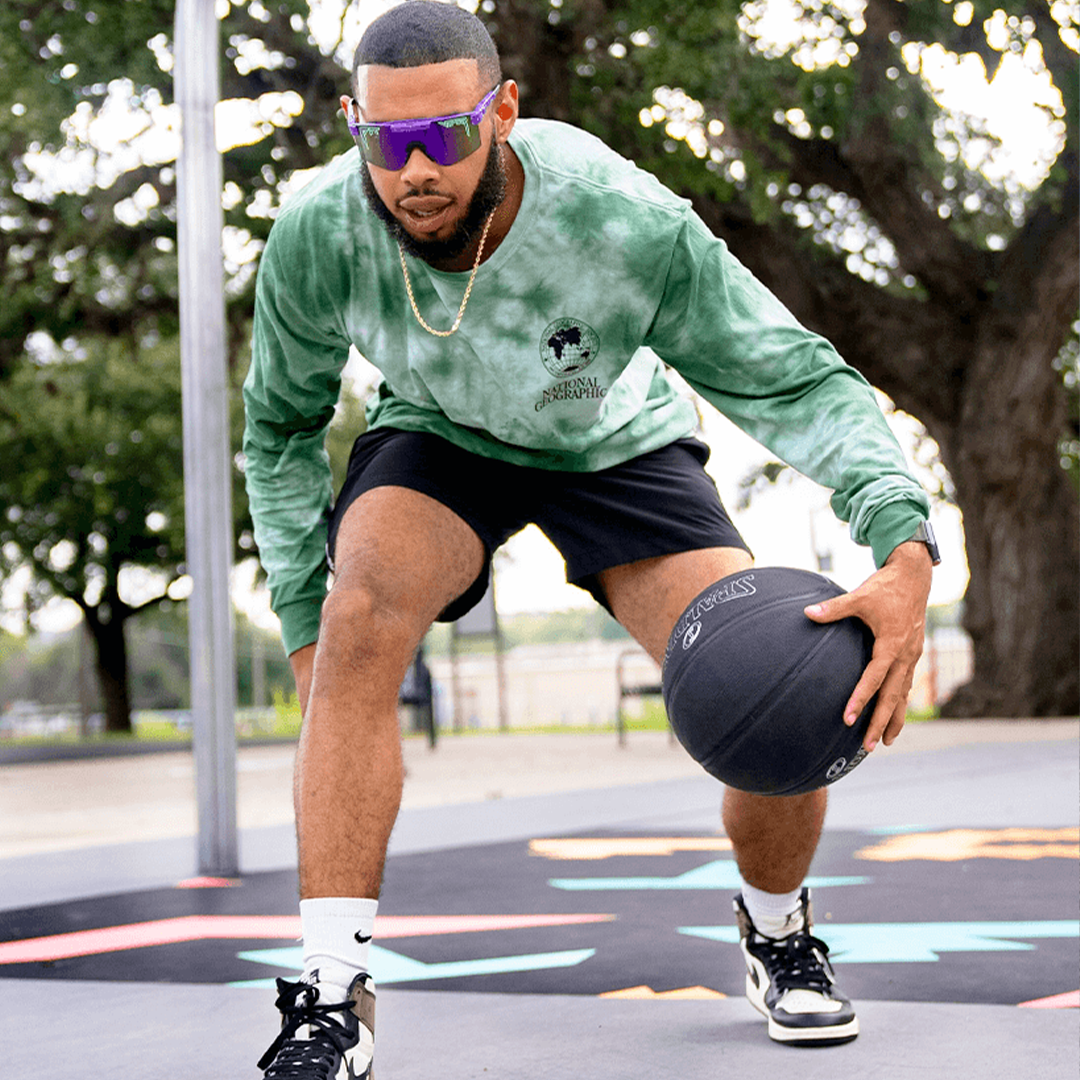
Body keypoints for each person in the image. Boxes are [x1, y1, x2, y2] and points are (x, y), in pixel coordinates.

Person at [243, 2, 937, 1075]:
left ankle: (779, 933)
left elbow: (790, 376)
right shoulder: (317, 236)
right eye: (387, 141)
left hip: (616, 440)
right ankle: (333, 992)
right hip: (441, 434)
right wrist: (299, 616)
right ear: (353, 126)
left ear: (503, 113)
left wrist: (904, 545)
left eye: (446, 135)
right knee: (353, 617)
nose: (414, 168)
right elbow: (280, 430)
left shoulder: (622, 218)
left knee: (779, 668)